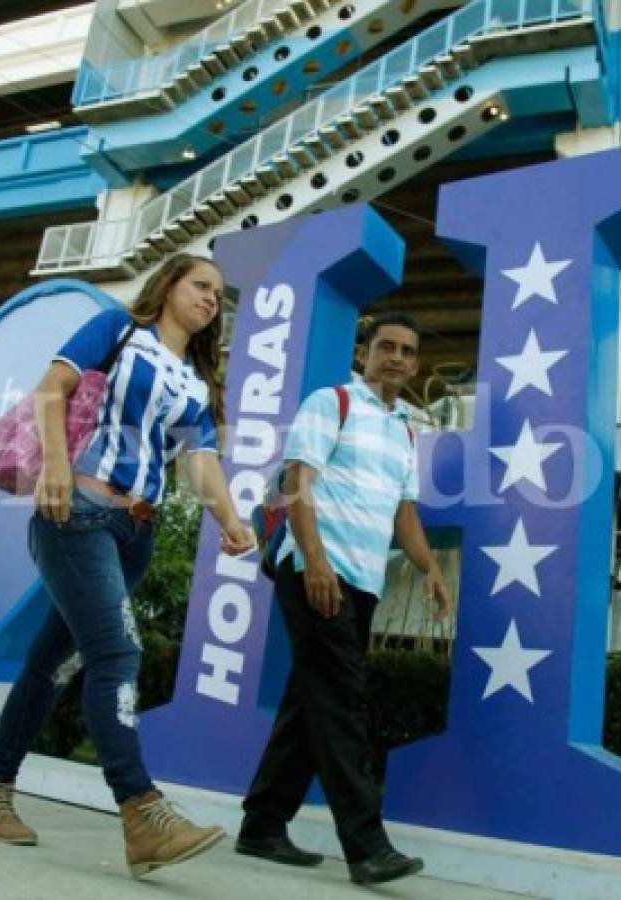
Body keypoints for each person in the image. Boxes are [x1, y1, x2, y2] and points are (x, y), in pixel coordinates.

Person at [0, 253, 256, 879]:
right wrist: (60, 471)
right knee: (117, 653)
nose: (211, 299)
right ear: (169, 284)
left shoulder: (198, 385)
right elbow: (52, 390)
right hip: (78, 513)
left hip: (135, 531)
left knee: (55, 663)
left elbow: (200, 461)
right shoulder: (116, 329)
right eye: (200, 285)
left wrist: (231, 521)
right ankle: (141, 809)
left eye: (218, 295)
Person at [237, 312, 451, 885]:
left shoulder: (405, 429)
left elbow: (404, 510)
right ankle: (367, 846)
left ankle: (262, 825)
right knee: (342, 700)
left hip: (362, 580)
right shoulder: (331, 402)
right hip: (317, 571)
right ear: (364, 354)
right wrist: (316, 560)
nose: (397, 358)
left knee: (311, 702)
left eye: (408, 351)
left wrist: (429, 567)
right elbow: (296, 482)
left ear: (416, 365)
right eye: (387, 347)